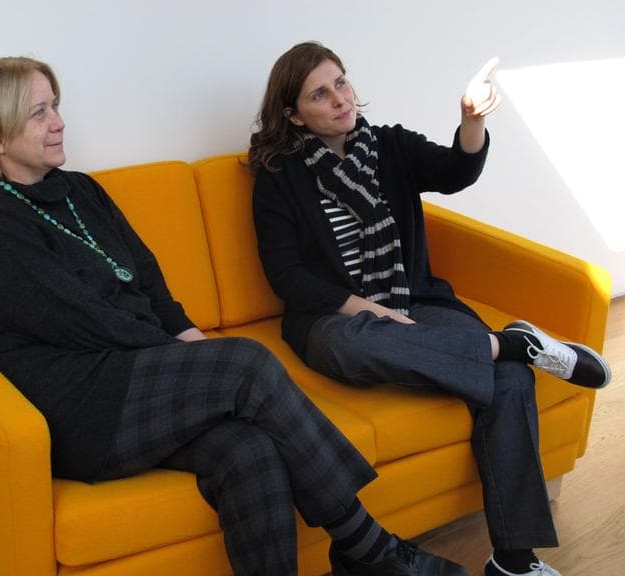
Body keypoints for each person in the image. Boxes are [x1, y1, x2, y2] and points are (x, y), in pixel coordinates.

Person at [0, 56, 469, 576]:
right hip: (80, 406)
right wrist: (205, 365)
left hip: (134, 376)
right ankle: (369, 547)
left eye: (55, 106)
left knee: (250, 451)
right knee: (244, 364)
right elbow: (85, 321)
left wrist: (195, 343)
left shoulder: (81, 191)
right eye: (39, 112)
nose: (59, 121)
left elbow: (148, 279)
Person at [249, 42, 612, 576]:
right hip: (336, 320)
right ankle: (511, 342)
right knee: (362, 342)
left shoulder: (388, 146)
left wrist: (470, 122)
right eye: (319, 94)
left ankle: (514, 559)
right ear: (292, 112)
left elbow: (455, 171)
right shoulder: (280, 176)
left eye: (341, 83)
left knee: (511, 379)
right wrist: (367, 312)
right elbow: (287, 276)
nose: (339, 100)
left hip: (415, 300)